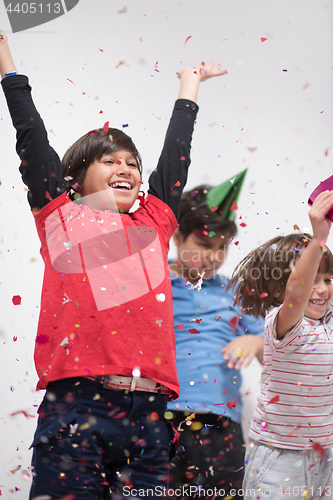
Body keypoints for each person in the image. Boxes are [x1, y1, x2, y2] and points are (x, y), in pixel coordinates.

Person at [0, 29, 226, 500]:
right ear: (76, 181)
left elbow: (175, 159)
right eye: (109, 160)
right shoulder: (60, 216)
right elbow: (32, 138)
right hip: (77, 408)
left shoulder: (155, 220)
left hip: (148, 415)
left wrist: (190, 85)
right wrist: (6, 65)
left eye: (132, 163)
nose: (125, 168)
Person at [228, 190, 333, 498]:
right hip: (280, 456)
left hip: (325, 455)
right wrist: (319, 239)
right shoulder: (283, 322)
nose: (322, 289)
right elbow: (296, 294)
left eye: (328, 279)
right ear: (276, 290)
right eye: (314, 277)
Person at [167, 182, 264, 498]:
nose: (214, 256)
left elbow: (274, 342)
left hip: (221, 423)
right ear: (177, 236)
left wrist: (256, 343)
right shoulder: (155, 283)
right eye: (204, 244)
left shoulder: (235, 292)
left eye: (222, 246)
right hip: (163, 415)